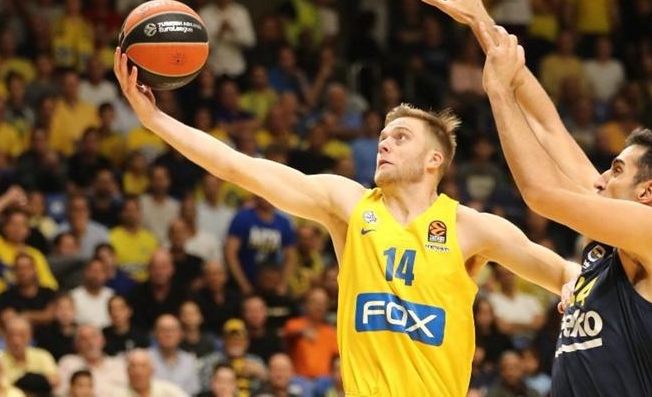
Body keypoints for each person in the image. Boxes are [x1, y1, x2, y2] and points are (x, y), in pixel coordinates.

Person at [112, 28, 579, 396]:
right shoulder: (350, 205)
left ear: (434, 160)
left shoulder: (468, 226)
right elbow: (239, 167)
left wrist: (572, 289)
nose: (384, 144)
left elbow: (565, 270)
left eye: (400, 138)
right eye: (383, 137)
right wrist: (155, 120)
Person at [423, 0, 652, 396]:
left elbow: (540, 193)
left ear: (648, 192)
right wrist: (480, 21)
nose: (600, 178)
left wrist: (497, 93)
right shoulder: (614, 252)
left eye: (616, 170)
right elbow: (548, 126)